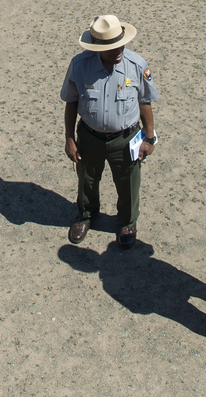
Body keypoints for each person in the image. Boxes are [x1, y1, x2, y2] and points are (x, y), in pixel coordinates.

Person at [60, 14, 159, 250]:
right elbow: (71, 102)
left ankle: (127, 222)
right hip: (89, 137)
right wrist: (69, 139)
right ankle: (86, 216)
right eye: (111, 47)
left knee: (128, 182)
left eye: (120, 44)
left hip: (125, 139)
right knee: (87, 179)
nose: (118, 51)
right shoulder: (80, 65)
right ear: (96, 48)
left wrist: (150, 137)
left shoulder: (136, 65)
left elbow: (145, 102)